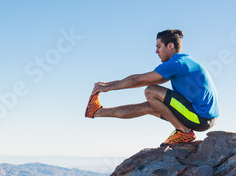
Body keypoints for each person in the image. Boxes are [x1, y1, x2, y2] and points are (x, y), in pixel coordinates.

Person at [85, 29, 219, 146]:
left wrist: (107, 87)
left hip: (199, 117)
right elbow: (139, 81)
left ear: (170, 45)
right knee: (149, 106)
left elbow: (139, 80)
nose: (156, 51)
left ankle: (184, 132)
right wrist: (108, 86)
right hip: (202, 118)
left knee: (151, 91)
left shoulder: (177, 63)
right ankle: (96, 111)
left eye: (159, 47)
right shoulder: (183, 62)